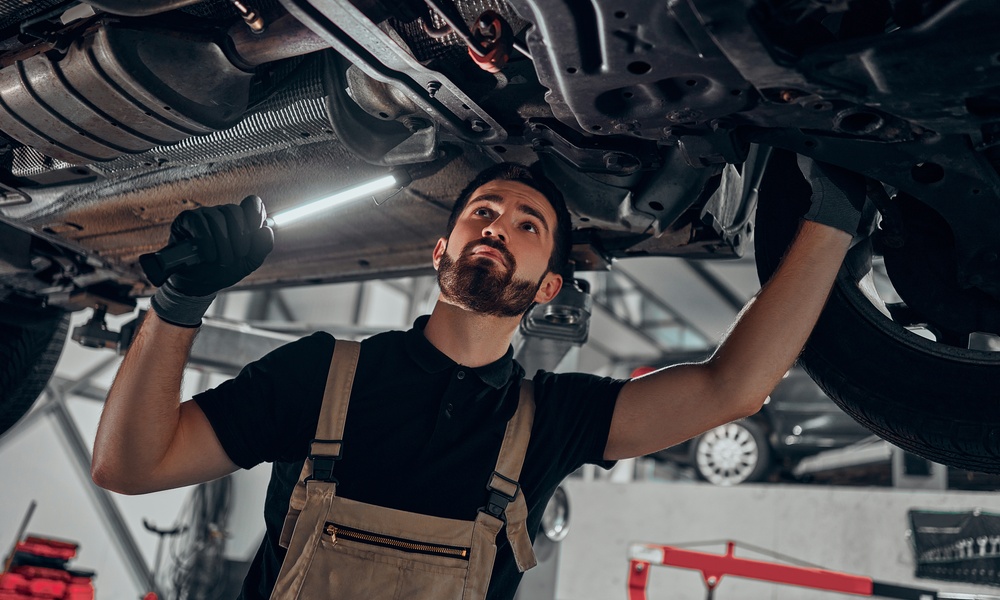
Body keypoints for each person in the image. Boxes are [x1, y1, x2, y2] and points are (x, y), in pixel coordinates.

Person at [91, 159, 868, 599]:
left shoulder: (553, 420)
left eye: (529, 225)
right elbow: (129, 466)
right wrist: (180, 303)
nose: (499, 224)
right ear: (441, 252)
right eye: (483, 211)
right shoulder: (320, 374)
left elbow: (731, 390)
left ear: (548, 287)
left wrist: (832, 214)